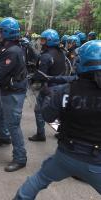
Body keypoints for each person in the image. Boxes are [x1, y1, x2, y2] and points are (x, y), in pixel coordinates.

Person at [14, 40, 101, 200]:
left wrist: (49, 96)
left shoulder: (66, 91)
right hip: (96, 163)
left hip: (66, 156)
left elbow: (47, 116)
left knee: (37, 181)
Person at [0, 17, 28, 172]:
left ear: (7, 33)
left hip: (13, 93)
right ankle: (4, 137)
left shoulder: (12, 51)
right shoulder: (8, 47)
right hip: (4, 90)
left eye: (0, 31)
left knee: (13, 124)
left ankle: (20, 158)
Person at [29, 29, 67, 142]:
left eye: (44, 40)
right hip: (61, 86)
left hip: (48, 87)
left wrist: (32, 79)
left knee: (39, 110)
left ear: (50, 41)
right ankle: (62, 133)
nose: (41, 42)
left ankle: (41, 134)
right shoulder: (62, 53)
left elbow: (41, 75)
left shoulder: (46, 56)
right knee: (61, 112)